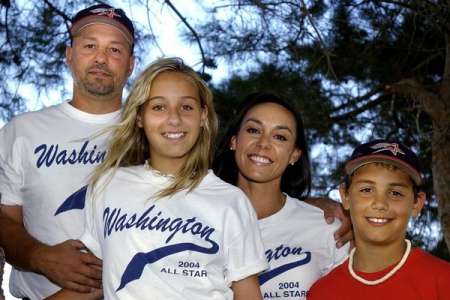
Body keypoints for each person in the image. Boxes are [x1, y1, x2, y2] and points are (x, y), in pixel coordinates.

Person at [77, 57, 268, 299]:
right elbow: (94, 279)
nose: (174, 118)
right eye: (158, 107)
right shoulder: (107, 185)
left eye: (186, 107)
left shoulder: (231, 201)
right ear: (139, 117)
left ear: (202, 116)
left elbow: (247, 292)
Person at [0, 4, 135, 299]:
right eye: (90, 46)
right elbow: (4, 219)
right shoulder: (22, 131)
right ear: (69, 55)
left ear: (131, 65)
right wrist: (40, 257)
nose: (101, 58)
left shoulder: (148, 135)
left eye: (115, 50)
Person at [213, 92, 350, 299]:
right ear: (234, 141)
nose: (263, 143)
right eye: (253, 130)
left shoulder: (326, 227)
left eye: (280, 137)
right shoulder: (197, 220)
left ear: (294, 154)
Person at [308, 139, 450, 299]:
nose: (380, 204)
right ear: (345, 196)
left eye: (396, 193)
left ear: (417, 203)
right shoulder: (322, 293)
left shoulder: (444, 281)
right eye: (366, 189)